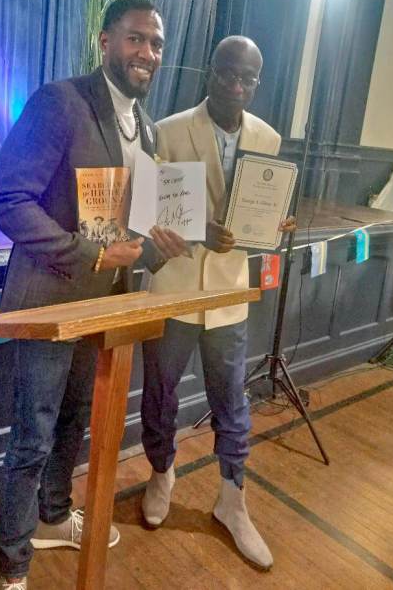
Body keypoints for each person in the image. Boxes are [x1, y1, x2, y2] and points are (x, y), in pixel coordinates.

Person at [0, 0, 186, 590]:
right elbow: (7, 200)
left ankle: (52, 516)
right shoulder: (62, 102)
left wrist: (161, 244)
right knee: (33, 435)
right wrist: (88, 253)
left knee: (73, 422)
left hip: (104, 304)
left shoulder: (146, 128)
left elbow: (130, 233)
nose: (146, 53)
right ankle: (12, 570)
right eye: (135, 39)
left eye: (155, 43)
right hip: (50, 298)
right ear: (106, 41)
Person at [140, 36, 295, 571]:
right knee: (159, 395)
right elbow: (151, 213)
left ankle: (233, 498)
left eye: (247, 78)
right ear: (210, 72)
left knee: (232, 402)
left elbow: (264, 213)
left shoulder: (268, 138)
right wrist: (195, 228)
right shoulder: (168, 129)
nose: (235, 86)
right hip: (176, 289)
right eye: (227, 73)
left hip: (229, 294)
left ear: (257, 81)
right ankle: (162, 475)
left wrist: (275, 227)